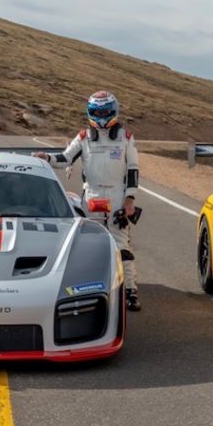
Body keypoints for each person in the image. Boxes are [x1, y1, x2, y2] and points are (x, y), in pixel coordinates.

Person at [54, 90, 142, 312]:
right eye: (97, 112)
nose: (101, 116)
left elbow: (133, 169)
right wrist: (45, 158)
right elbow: (65, 157)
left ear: (114, 111)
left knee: (121, 244)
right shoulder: (83, 137)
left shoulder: (126, 137)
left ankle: (131, 291)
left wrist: (130, 199)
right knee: (87, 245)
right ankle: (88, 290)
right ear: (90, 112)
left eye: (105, 111)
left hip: (117, 196)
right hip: (91, 195)